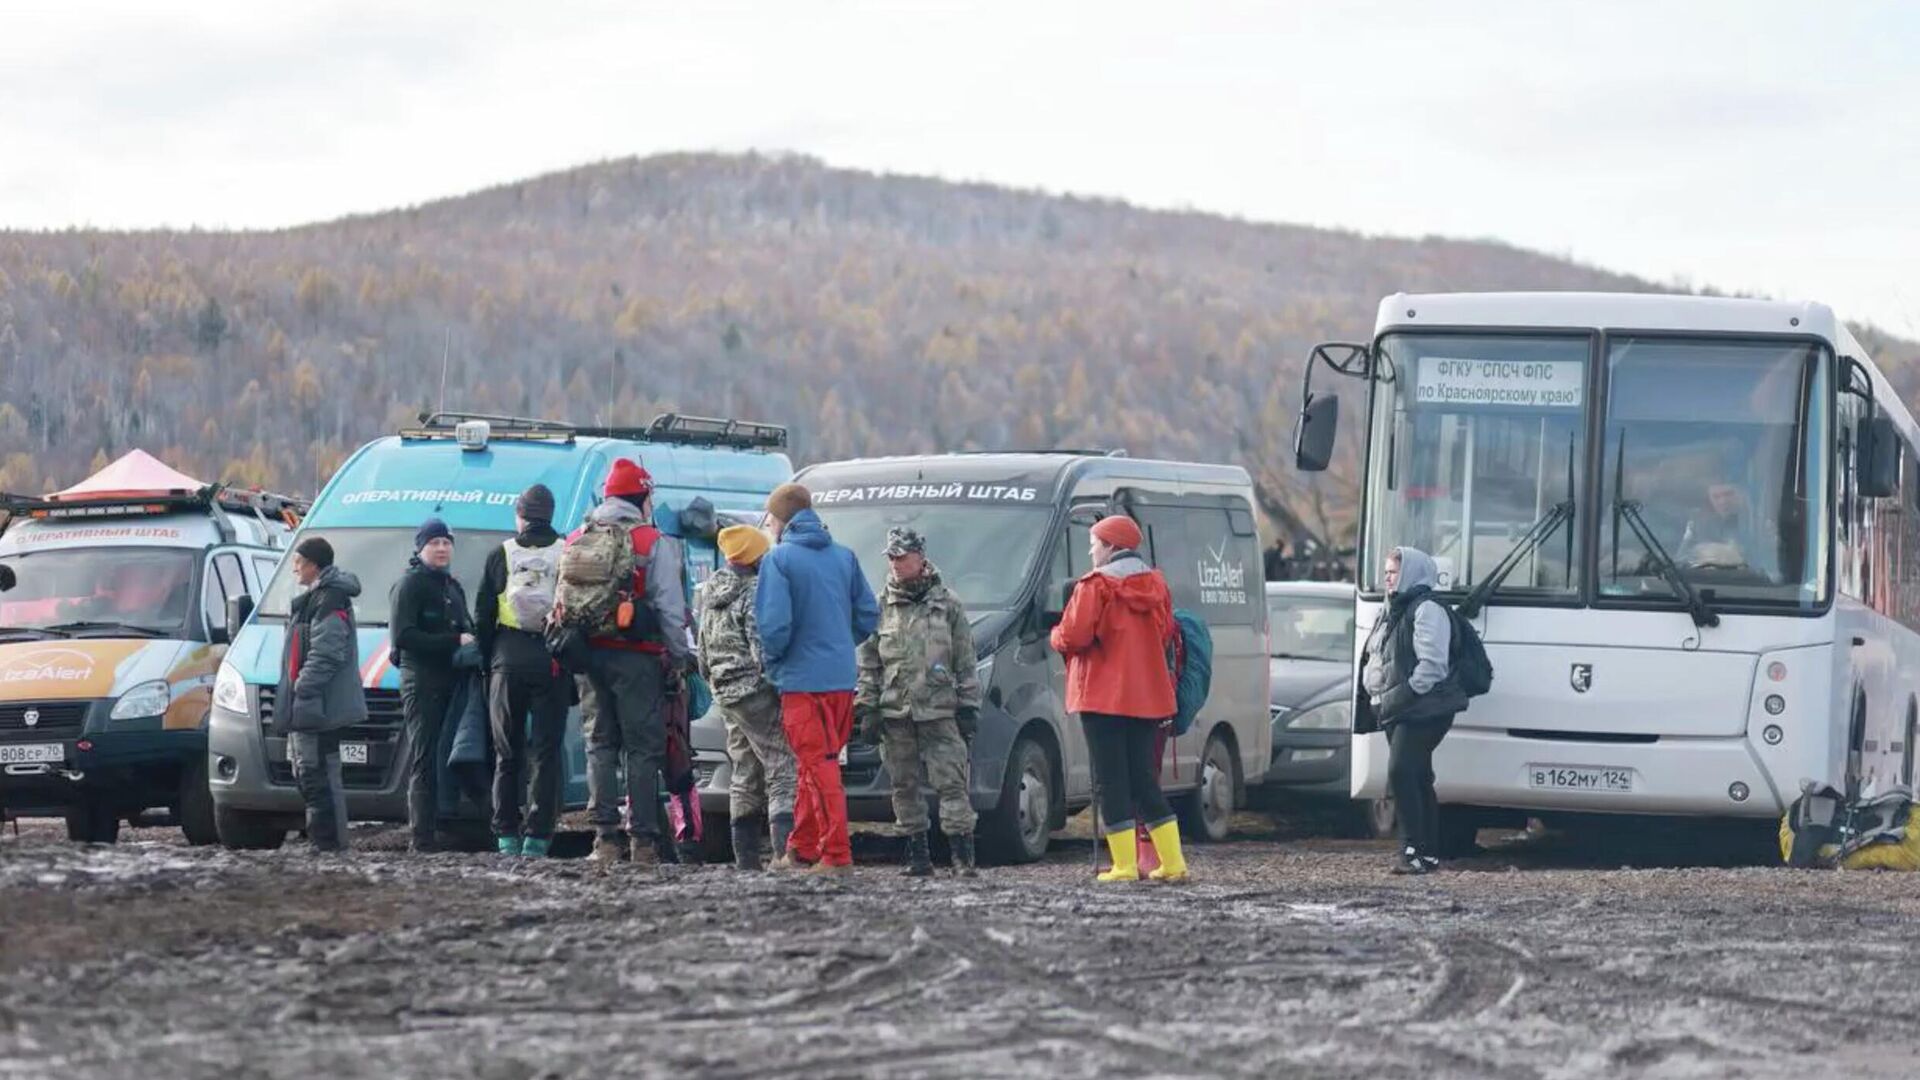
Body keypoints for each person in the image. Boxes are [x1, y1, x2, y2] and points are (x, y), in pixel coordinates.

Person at [567, 459, 693, 867]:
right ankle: (643, 842)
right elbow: (670, 608)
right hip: (637, 658)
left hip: (589, 655)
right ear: (641, 497)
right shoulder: (649, 540)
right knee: (642, 749)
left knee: (599, 744)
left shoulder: (576, 538)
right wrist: (679, 657)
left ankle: (604, 839)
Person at [1050, 515, 1187, 884]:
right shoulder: (1157, 585)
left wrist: (1055, 636)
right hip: (1148, 695)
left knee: (1111, 781)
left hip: (1103, 696)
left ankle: (1124, 866)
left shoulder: (1094, 585)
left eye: (1094, 543)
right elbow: (1164, 632)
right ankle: (1173, 864)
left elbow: (1074, 636)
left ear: (1110, 546)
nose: (1091, 550)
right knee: (1144, 779)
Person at [754, 483, 880, 876]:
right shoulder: (845, 557)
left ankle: (837, 855)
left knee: (818, 765)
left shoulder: (779, 560)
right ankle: (802, 849)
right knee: (817, 764)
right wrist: (839, 646)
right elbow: (867, 616)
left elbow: (774, 627)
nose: (769, 526)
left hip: (802, 682)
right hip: (841, 679)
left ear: (784, 519)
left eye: (771, 519)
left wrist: (774, 664)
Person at [856, 527, 981, 878]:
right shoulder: (880, 606)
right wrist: (867, 707)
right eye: (891, 557)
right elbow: (869, 662)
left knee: (952, 783)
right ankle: (917, 855)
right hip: (896, 710)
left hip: (940, 710)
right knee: (903, 785)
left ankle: (962, 858)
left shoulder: (947, 604)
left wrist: (970, 705)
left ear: (920, 558)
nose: (895, 563)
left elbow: (965, 660)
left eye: (902, 556)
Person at [1359, 546, 1466, 876]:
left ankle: (1411, 851)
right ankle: (1427, 853)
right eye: (1387, 572)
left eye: (1393, 573)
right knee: (1417, 776)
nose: (1388, 579)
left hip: (1422, 709)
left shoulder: (1427, 609)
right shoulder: (1392, 608)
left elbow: (1432, 666)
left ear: (1411, 573)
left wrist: (1402, 696)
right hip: (1399, 709)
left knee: (1402, 772)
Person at [475, 484, 569, 858]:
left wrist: (487, 660)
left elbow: (483, 613)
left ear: (521, 515)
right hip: (551, 659)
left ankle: (506, 835)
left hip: (507, 659)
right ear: (550, 514)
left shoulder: (501, 554)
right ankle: (538, 836)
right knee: (546, 752)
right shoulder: (566, 551)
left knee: (507, 751)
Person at [696, 524, 798, 872]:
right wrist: (780, 684)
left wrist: (717, 684)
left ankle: (746, 860)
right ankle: (784, 855)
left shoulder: (710, 592)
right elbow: (762, 649)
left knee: (744, 769)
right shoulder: (754, 592)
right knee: (782, 765)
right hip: (754, 692)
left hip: (725, 694)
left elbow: (702, 655)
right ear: (756, 558)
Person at [273, 537, 365, 853]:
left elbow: (327, 654)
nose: (295, 568)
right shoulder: (318, 598)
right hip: (310, 704)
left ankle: (328, 846)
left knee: (317, 775)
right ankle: (324, 843)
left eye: (298, 561)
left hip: (317, 706)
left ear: (314, 564)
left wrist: (302, 687)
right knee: (308, 772)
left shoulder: (330, 600)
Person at [391, 516, 476, 853]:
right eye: (434, 543)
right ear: (420, 548)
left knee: (449, 755)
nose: (441, 548)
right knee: (424, 758)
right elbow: (404, 637)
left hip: (452, 682)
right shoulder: (410, 585)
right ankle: (421, 837)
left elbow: (466, 626)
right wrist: (455, 640)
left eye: (446, 542)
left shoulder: (451, 586)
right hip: (422, 683)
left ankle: (448, 823)